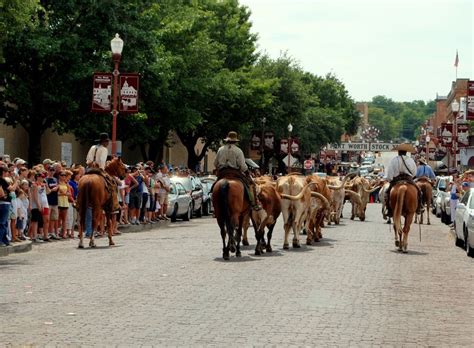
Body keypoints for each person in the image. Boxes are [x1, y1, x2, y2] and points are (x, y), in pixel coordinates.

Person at [213, 131, 261, 211]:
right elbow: (242, 165)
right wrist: (247, 172)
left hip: (223, 172)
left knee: (213, 187)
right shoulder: (238, 151)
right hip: (235, 172)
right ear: (235, 141)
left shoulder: (220, 150)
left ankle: (215, 207)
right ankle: (254, 203)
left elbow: (215, 163)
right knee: (250, 185)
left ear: (227, 140)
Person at [385, 143, 422, 217]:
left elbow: (390, 174)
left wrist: (390, 179)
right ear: (406, 152)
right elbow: (414, 173)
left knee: (387, 193)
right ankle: (419, 207)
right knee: (419, 191)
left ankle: (388, 209)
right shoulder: (410, 160)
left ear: (398, 152)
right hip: (408, 179)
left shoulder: (394, 160)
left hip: (396, 180)